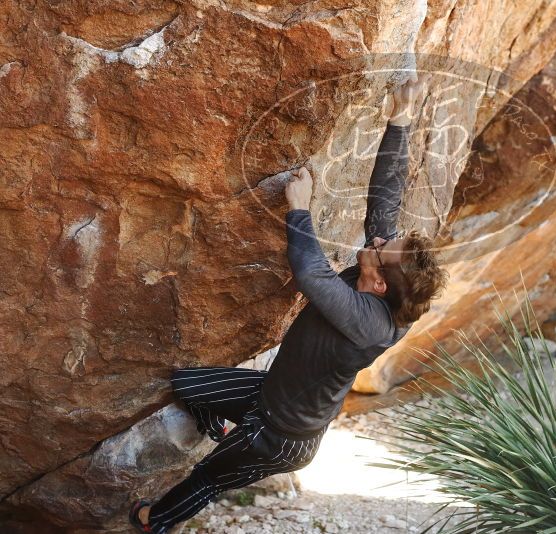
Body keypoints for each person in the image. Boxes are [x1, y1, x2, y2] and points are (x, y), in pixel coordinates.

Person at [129, 72, 449, 533]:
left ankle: (151, 521)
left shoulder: (370, 322)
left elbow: (311, 272)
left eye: (382, 249)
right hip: (268, 394)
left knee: (207, 478)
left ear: (380, 284)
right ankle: (218, 427)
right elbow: (387, 198)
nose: (379, 239)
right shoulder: (381, 280)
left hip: (280, 437)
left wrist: (299, 208)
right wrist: (400, 120)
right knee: (184, 384)